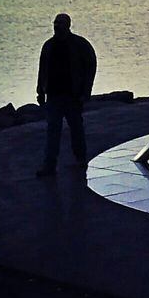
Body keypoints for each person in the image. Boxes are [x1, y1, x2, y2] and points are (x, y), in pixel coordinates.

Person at [35, 12, 97, 176]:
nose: (57, 26)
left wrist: (85, 91)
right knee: (52, 129)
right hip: (53, 95)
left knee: (76, 127)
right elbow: (42, 68)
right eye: (55, 23)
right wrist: (40, 90)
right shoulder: (48, 45)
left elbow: (91, 66)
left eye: (61, 23)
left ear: (68, 25)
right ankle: (49, 165)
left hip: (73, 96)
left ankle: (80, 158)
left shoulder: (80, 44)